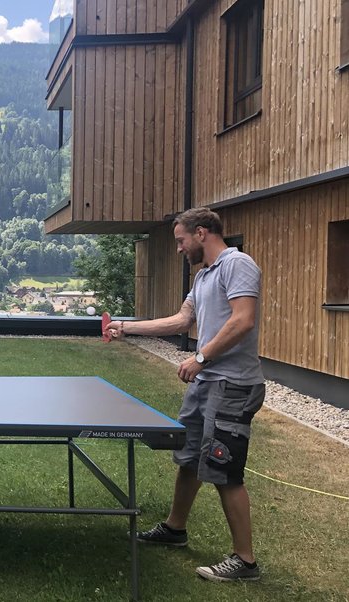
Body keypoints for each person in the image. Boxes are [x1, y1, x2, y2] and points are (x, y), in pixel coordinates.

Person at [104, 207, 264, 582]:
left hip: (233, 385)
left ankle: (246, 561)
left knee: (225, 470)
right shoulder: (204, 276)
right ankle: (175, 529)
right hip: (207, 383)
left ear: (202, 233)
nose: (179, 248)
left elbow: (243, 319)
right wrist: (126, 328)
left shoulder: (236, 264)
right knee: (190, 456)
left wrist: (201, 357)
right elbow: (180, 321)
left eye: (180, 240)